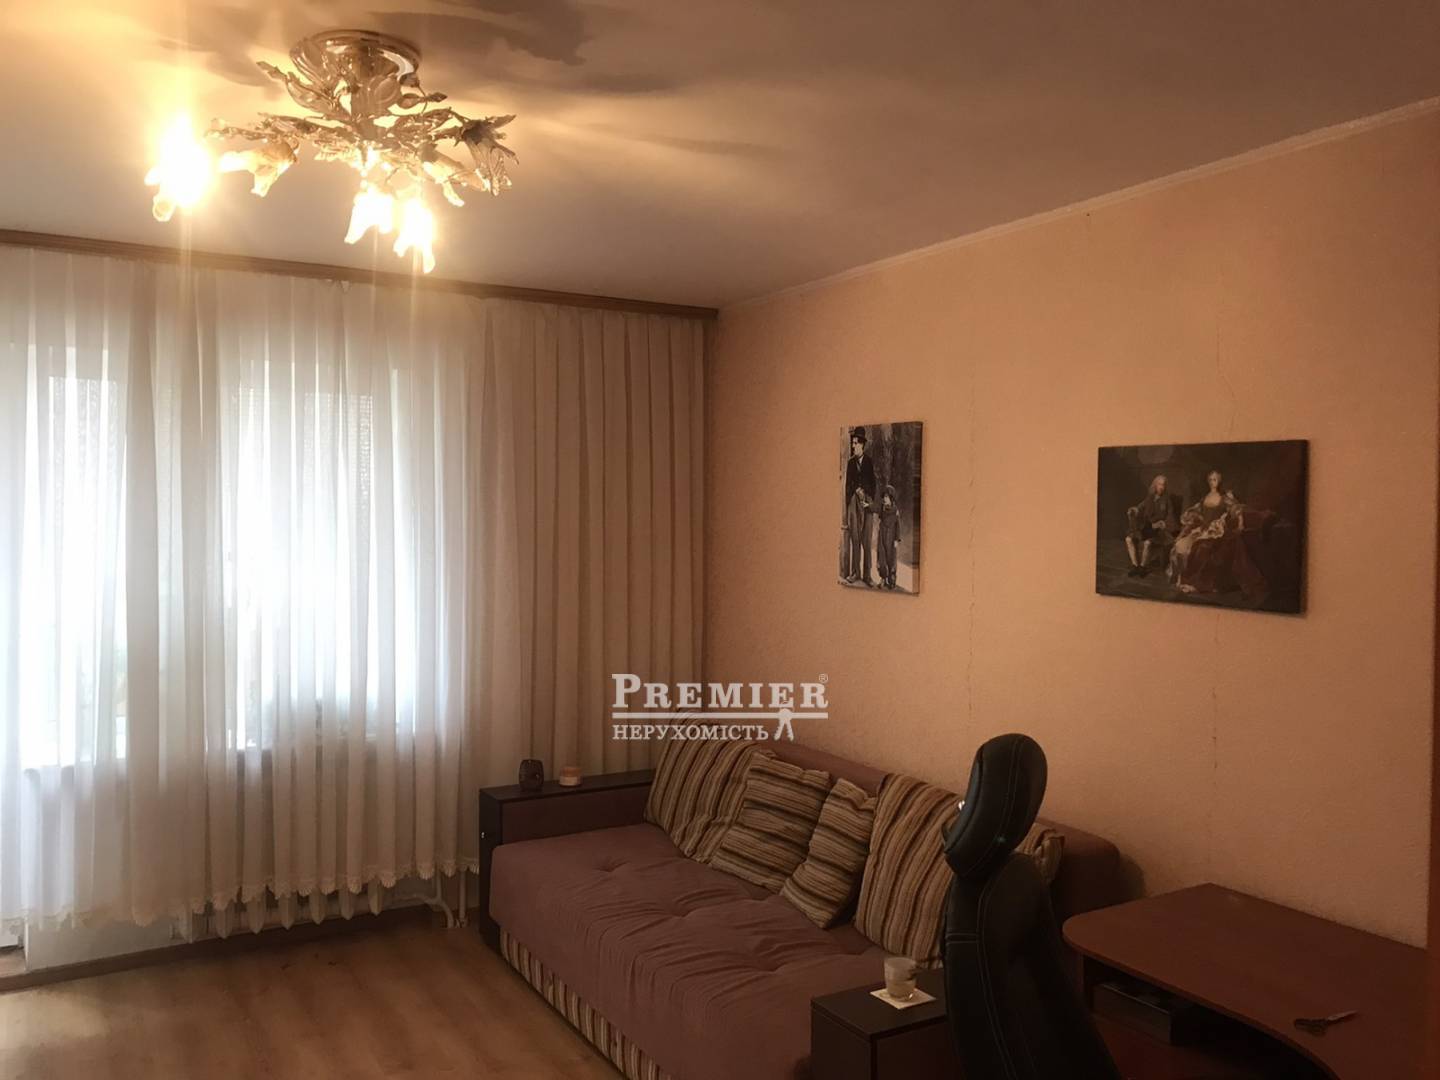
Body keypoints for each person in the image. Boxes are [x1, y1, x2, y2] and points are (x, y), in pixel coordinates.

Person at [1169, 469, 1239, 591]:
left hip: (1215, 531)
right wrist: (1192, 518)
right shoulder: (1205, 498)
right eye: (1211, 480)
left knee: (1201, 549)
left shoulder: (1224, 498)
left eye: (1215, 479)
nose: (1212, 482)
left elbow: (1235, 509)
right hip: (1202, 529)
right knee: (1180, 545)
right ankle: (1182, 578)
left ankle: (1194, 582)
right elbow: (1197, 512)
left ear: (1219, 481)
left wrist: (1230, 513)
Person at [1125, 474, 1181, 577]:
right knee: (1128, 539)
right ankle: (1135, 566)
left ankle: (1142, 567)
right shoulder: (1150, 497)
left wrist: (1163, 523)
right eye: (1159, 484)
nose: (1161, 487)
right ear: (1155, 485)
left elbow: (1171, 516)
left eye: (1163, 485)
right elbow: (1139, 508)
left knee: (1148, 543)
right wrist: (1133, 510)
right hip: (1146, 528)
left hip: (1159, 531)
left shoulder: (1167, 500)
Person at [843, 427, 877, 585]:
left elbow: (873, 484)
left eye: (856, 443)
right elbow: (848, 485)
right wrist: (856, 490)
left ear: (862, 445)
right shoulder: (850, 463)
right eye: (853, 443)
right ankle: (855, 573)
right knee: (855, 538)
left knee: (867, 540)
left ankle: (867, 575)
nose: (853, 446)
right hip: (853, 504)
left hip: (866, 503)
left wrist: (867, 499)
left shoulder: (869, 462)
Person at [876, 484, 901, 589]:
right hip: (882, 535)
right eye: (884, 497)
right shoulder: (882, 509)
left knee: (891, 558)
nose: (885, 499)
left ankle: (892, 580)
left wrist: (896, 539)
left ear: (891, 498)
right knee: (882, 557)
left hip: (891, 537)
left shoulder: (895, 511)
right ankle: (883, 578)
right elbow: (878, 514)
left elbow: (898, 526)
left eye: (886, 497)